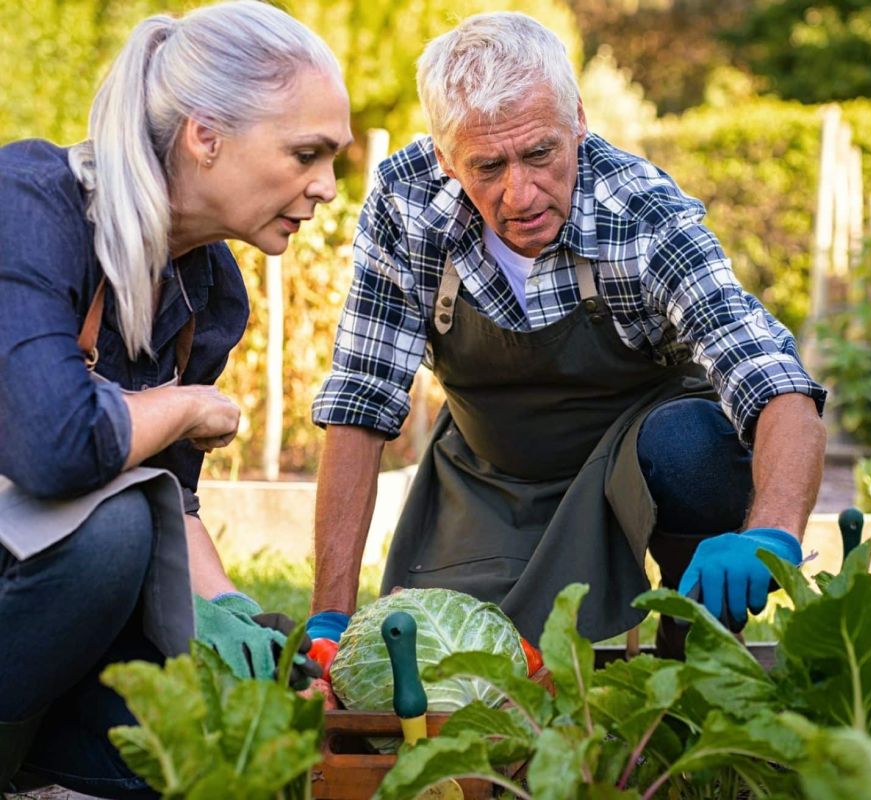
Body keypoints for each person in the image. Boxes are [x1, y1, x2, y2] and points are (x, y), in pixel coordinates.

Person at [306, 12, 826, 668]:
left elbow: (773, 377)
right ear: (443, 156)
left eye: (540, 154)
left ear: (577, 119)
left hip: (637, 460)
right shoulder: (405, 202)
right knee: (454, 674)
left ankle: (696, 655)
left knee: (691, 447)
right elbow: (361, 397)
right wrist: (329, 609)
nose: (519, 193)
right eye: (487, 165)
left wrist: (771, 531)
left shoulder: (641, 215)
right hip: (492, 471)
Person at [0, 1, 353, 795]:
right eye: (305, 154)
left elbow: (171, 500)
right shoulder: (29, 206)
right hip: (30, 580)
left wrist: (234, 613)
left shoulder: (208, 290)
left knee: (175, 760)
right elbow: (55, 446)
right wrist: (187, 406)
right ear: (205, 136)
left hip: (44, 608)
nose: (327, 187)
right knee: (113, 531)